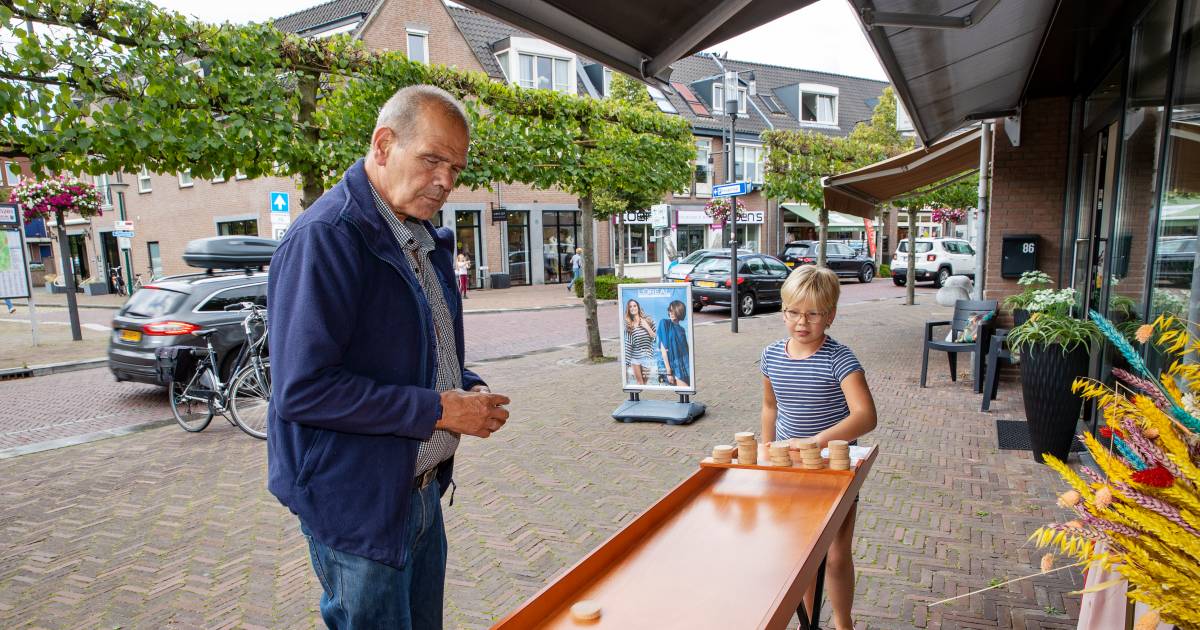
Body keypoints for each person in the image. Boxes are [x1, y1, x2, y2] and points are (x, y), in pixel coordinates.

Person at [267, 85, 511, 630]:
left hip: (420, 492)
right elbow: (302, 389)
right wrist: (440, 411)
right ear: (382, 145)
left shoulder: (421, 237)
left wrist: (464, 387)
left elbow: (419, 350)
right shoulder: (327, 238)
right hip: (358, 505)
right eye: (431, 159)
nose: (446, 181)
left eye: (456, 167)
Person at [759, 265, 877, 630]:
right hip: (791, 470)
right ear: (783, 311)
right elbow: (770, 407)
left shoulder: (840, 360)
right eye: (793, 312)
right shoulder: (771, 355)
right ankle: (810, 623)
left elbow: (866, 417)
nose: (801, 322)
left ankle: (844, 623)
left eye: (812, 314)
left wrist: (815, 441)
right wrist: (767, 451)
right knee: (805, 557)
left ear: (831, 316)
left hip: (834, 471)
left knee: (837, 556)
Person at [655, 300, 691, 388]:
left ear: (679, 311)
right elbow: (664, 349)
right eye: (670, 310)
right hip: (672, 365)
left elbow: (685, 350)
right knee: (685, 389)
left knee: (686, 391)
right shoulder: (665, 323)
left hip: (685, 364)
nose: (671, 313)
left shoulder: (682, 329)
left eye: (674, 311)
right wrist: (668, 371)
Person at [623, 299, 656, 385]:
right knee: (640, 383)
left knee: (645, 382)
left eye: (634, 306)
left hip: (647, 356)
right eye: (630, 306)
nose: (633, 308)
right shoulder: (629, 325)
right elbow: (628, 344)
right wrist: (626, 362)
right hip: (635, 357)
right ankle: (635, 397)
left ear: (638, 307)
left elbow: (656, 338)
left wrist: (647, 327)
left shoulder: (649, 320)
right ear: (628, 310)